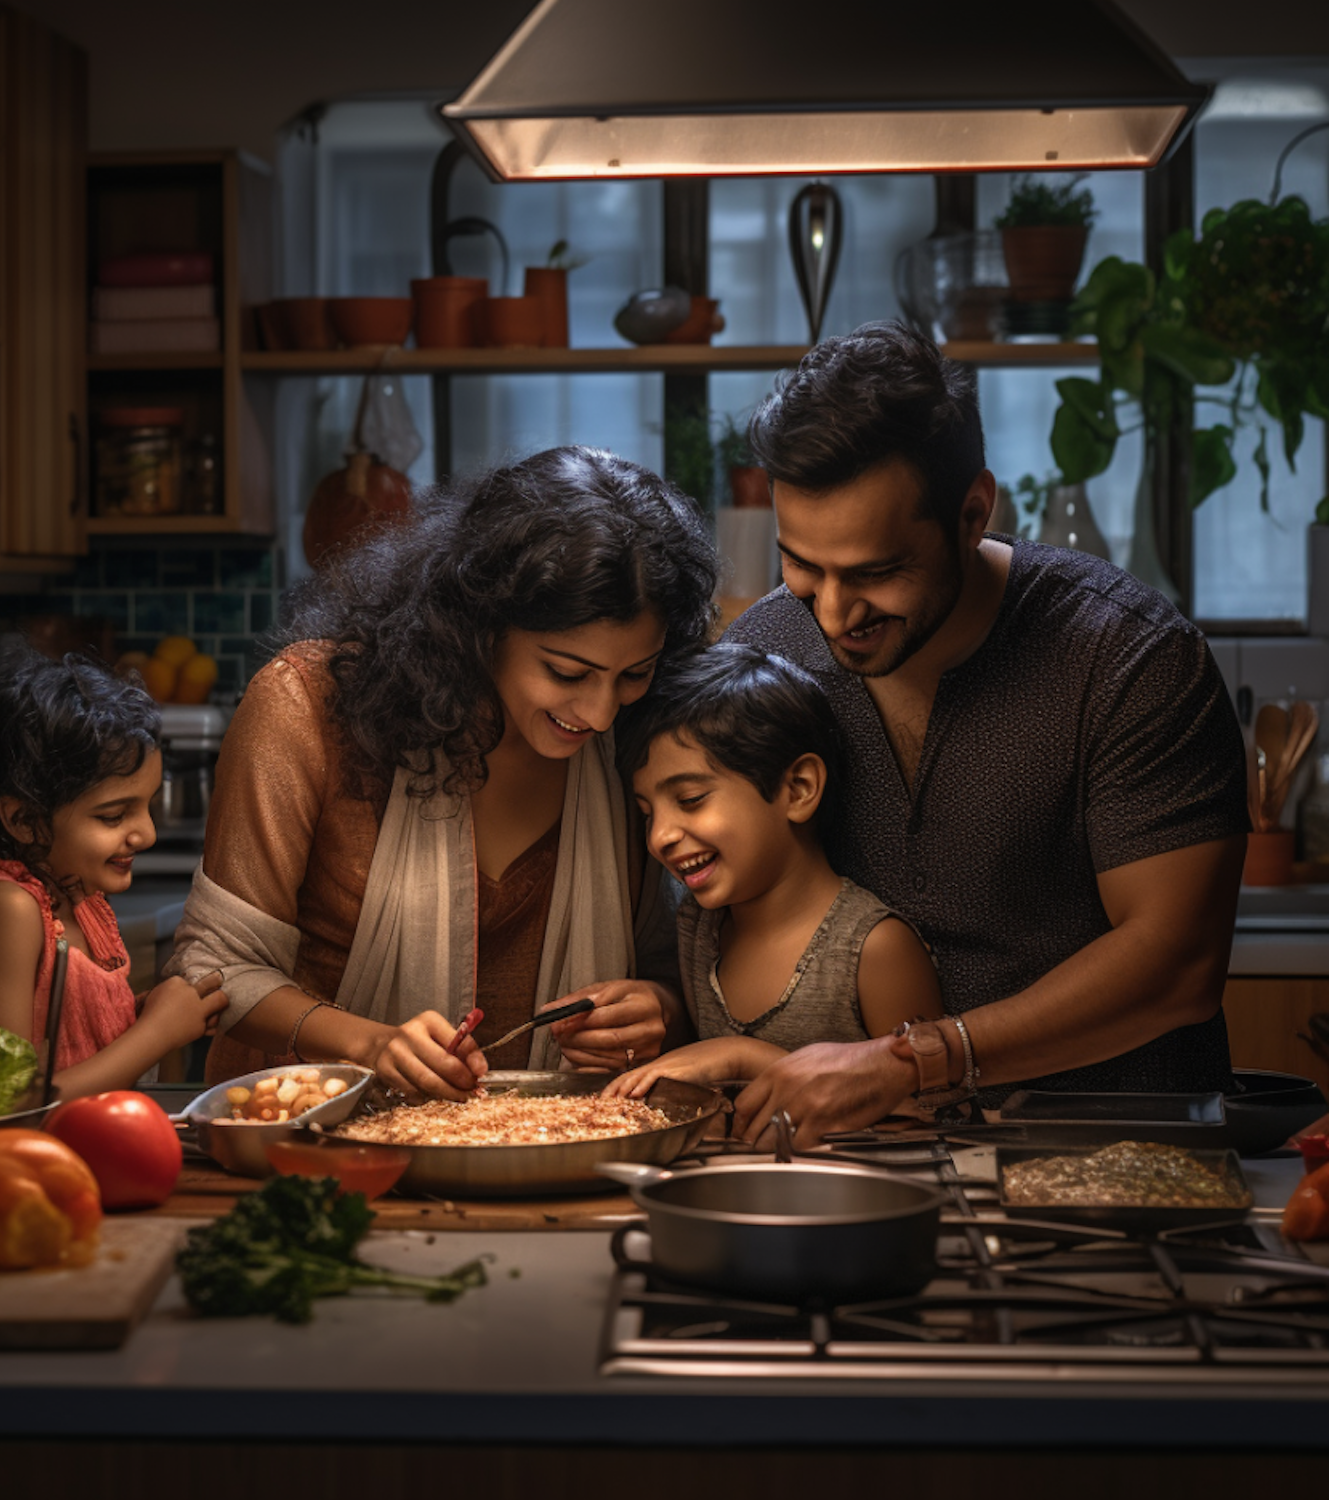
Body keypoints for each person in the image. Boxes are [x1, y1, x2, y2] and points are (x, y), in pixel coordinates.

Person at [725, 321, 1249, 1146]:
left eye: (875, 572)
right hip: (872, 1162)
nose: (831, 613)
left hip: (1123, 1156)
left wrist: (912, 1062)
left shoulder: (1127, 656)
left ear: (973, 513)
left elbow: (1177, 963)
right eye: (802, 566)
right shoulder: (764, 654)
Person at [167, 445, 719, 1098]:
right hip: (310, 1143)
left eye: (633, 673)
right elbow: (213, 971)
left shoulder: (643, 734)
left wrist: (660, 1006)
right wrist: (369, 1042)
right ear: (479, 626)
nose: (599, 713)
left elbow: (673, 962)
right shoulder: (307, 707)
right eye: (567, 673)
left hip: (547, 1145)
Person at [605, 642, 943, 1100]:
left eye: (690, 800)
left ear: (799, 789)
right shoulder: (698, 928)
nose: (659, 836)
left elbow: (927, 1119)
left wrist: (744, 1057)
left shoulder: (874, 950)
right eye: (648, 813)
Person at [0, 646, 228, 1098]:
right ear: (24, 820)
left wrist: (150, 1016)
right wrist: (156, 1035)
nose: (146, 834)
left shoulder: (78, 899)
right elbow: (6, 1102)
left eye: (147, 806)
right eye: (112, 816)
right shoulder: (5, 909)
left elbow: (67, 1041)